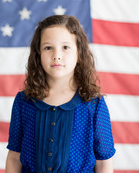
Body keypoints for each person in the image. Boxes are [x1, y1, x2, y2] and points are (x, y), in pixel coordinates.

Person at [6, 15, 116, 173]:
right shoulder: (24, 101)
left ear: (79, 53)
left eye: (65, 47)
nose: (56, 55)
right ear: (38, 53)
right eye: (48, 47)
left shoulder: (93, 104)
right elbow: (14, 157)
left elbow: (103, 162)